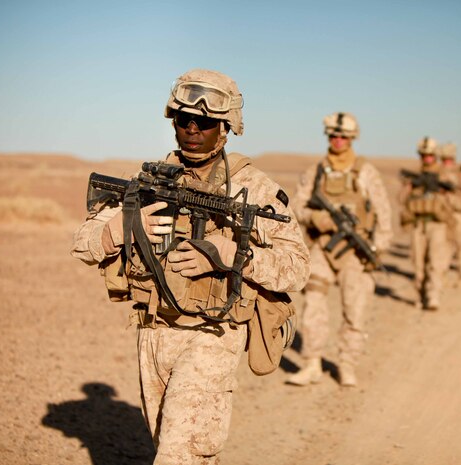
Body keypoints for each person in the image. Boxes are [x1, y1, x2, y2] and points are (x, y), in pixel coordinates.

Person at [70, 68, 310, 465]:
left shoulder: (254, 188)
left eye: (206, 121)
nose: (193, 128)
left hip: (213, 335)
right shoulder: (146, 181)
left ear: (227, 127)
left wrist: (230, 253)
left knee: (177, 457)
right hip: (152, 334)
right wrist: (124, 225)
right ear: (173, 122)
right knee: (187, 453)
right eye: (184, 119)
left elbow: (297, 268)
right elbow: (83, 246)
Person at [287, 112, 392, 387]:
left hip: (355, 254)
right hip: (323, 249)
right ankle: (312, 363)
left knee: (355, 311)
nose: (338, 141)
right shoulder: (316, 172)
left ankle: (347, 364)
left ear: (352, 139)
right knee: (313, 306)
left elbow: (383, 212)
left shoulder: (365, 172)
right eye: (333, 136)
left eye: (343, 136)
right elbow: (297, 205)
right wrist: (314, 218)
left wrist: (378, 248)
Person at [398, 137, 455, 310]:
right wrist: (409, 187)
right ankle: (420, 295)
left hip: (437, 224)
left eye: (430, 155)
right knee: (418, 263)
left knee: (435, 262)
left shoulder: (445, 174)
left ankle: (433, 296)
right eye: (423, 155)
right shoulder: (415, 175)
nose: (427, 158)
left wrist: (442, 192)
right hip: (418, 224)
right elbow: (400, 199)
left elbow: (458, 202)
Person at [437, 142, 461, 287]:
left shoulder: (460, 173)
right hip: (445, 214)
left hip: (457, 213)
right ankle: (442, 276)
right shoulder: (439, 172)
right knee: (445, 247)